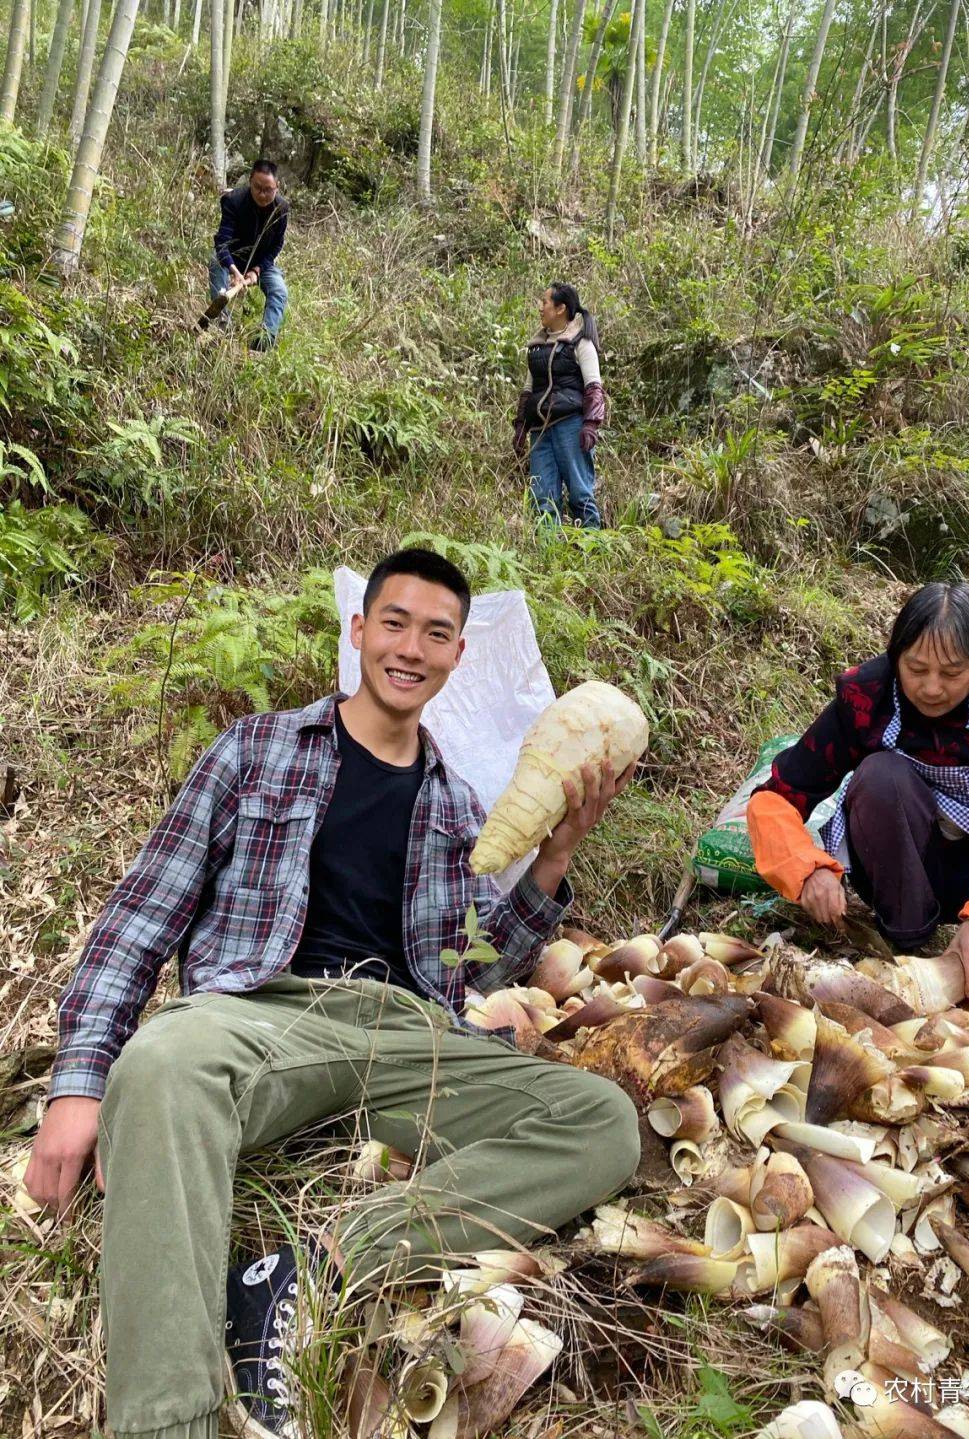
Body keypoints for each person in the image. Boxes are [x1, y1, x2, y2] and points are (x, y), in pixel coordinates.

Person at [23, 547, 641, 1439]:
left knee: (603, 1122)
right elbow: (142, 917)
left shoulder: (459, 804)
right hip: (259, 1013)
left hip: (405, 1035)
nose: (411, 648)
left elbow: (480, 968)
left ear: (458, 656)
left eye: (437, 634)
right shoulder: (256, 749)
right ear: (359, 630)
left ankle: (316, 1268)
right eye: (395, 622)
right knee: (158, 1063)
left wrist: (552, 857)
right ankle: (171, 1423)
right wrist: (78, 1084)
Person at [746, 582, 969, 1002]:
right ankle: (908, 937)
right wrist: (805, 867)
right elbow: (777, 795)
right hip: (907, 867)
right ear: (895, 656)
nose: (932, 688)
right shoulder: (866, 697)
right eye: (916, 669)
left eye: (952, 672)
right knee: (881, 775)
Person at [513, 282, 607, 529]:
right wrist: (521, 426)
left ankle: (592, 547)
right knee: (542, 497)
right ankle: (548, 552)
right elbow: (528, 389)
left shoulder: (582, 344)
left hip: (571, 427)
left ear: (561, 308)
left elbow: (594, 388)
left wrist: (590, 425)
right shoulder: (536, 347)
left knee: (580, 494)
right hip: (539, 430)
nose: (540, 308)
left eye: (544, 302)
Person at [210, 158, 289, 351]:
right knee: (214, 262)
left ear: (276, 187)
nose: (262, 194)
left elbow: (276, 245)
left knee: (279, 290)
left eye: (268, 190)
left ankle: (263, 342)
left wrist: (256, 271)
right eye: (257, 188)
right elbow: (222, 243)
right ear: (250, 182)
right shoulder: (233, 201)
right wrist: (234, 270)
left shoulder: (281, 209)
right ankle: (222, 324)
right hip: (233, 258)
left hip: (261, 263)